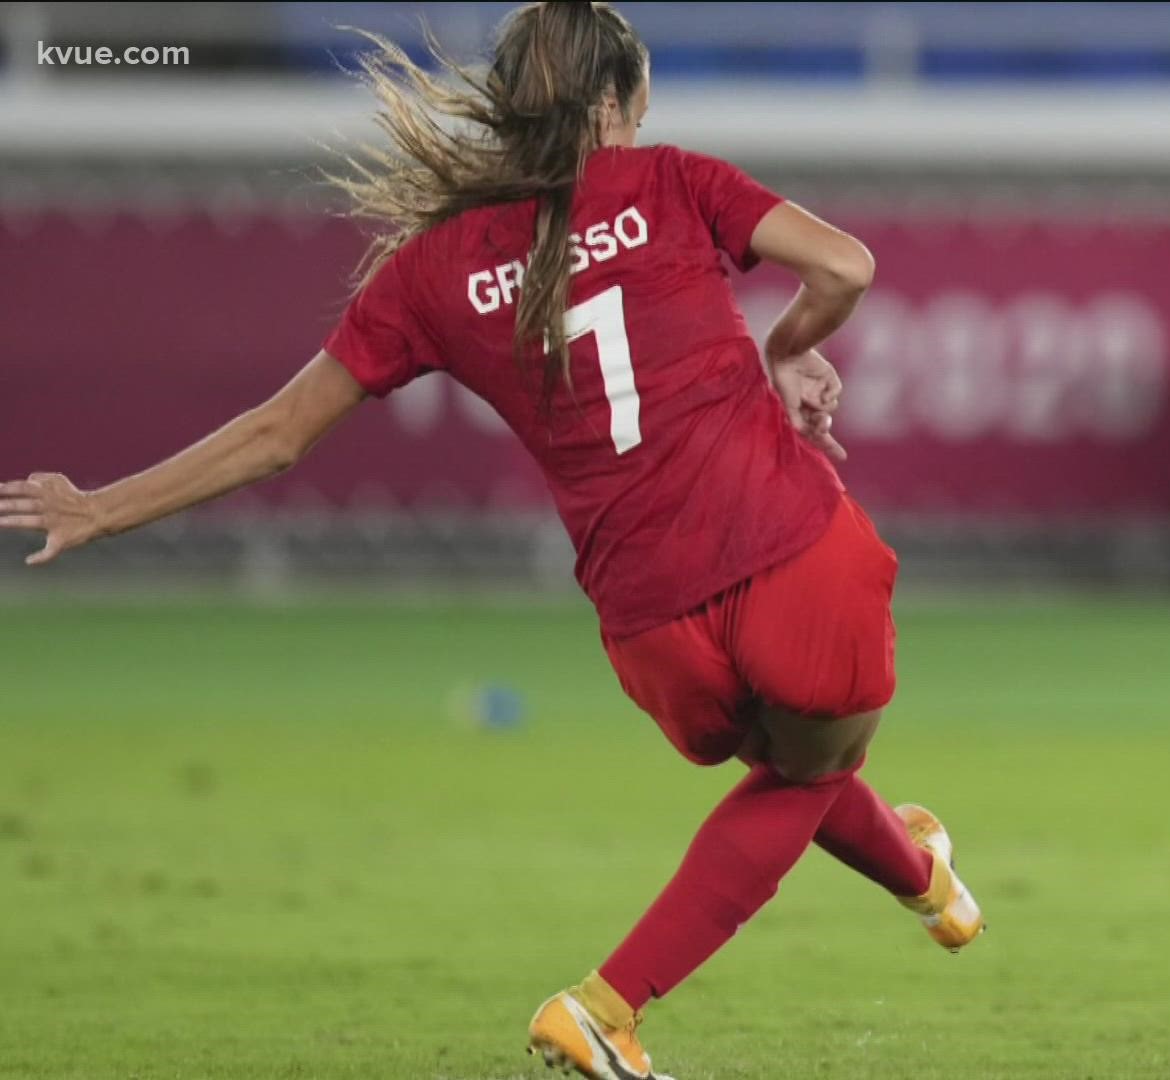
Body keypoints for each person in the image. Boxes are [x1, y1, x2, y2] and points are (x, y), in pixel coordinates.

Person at [0, 4, 983, 1078]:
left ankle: (926, 879)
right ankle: (605, 1007)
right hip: (786, 550)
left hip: (651, 628)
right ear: (614, 103)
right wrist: (787, 349)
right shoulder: (672, 184)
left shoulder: (433, 270)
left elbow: (277, 437)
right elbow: (846, 266)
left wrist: (99, 509)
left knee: (793, 768)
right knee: (807, 771)